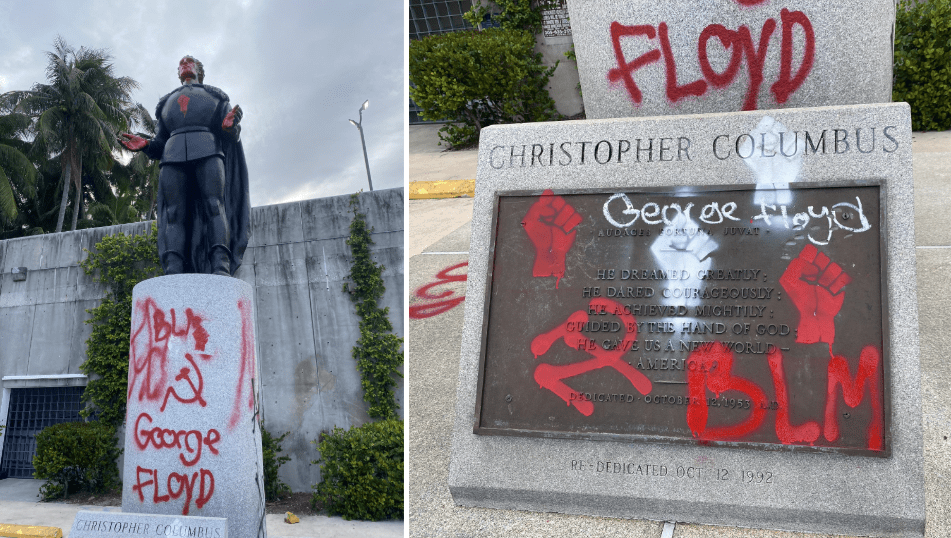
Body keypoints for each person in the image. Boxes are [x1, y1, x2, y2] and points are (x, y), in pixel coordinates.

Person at [120, 55, 250, 276]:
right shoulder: (166, 103)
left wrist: (230, 128)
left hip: (208, 150)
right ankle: (174, 268)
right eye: (180, 64)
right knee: (174, 213)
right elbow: (160, 142)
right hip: (173, 155)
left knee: (214, 206)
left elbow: (230, 135)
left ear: (199, 70)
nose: (184, 64)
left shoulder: (216, 96)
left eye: (189, 62)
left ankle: (220, 265)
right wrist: (146, 145)